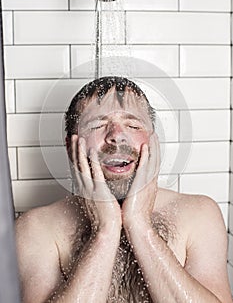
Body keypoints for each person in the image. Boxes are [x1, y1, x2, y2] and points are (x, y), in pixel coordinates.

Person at [15, 76, 232, 303]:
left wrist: (139, 224)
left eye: (133, 125)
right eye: (97, 125)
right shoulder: (36, 228)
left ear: (153, 142)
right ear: (71, 147)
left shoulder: (199, 215)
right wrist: (105, 230)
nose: (117, 135)